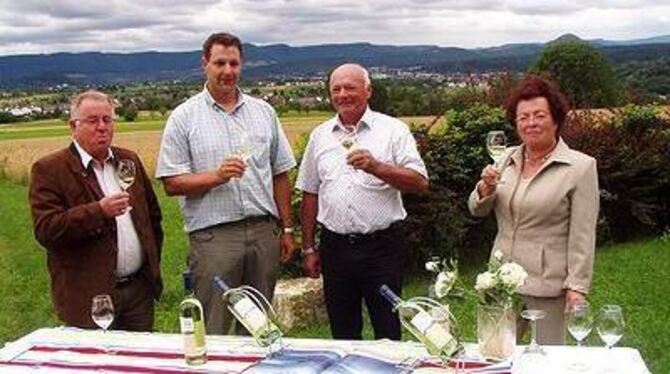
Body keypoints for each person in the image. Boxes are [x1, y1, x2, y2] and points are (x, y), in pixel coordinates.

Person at [156, 32, 296, 335]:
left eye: (234, 63)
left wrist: (286, 228)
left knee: (259, 328)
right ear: (204, 64)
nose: (228, 71)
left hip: (263, 233)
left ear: (241, 65)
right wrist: (216, 177)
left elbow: (280, 173)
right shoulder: (183, 117)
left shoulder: (264, 112)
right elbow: (171, 182)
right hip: (214, 239)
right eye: (220, 62)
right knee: (214, 328)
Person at [296, 63, 429, 340]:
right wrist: (308, 247)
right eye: (336, 89)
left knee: (388, 329)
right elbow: (310, 192)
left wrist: (377, 167)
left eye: (350, 87)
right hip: (336, 249)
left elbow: (419, 182)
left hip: (382, 248)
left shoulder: (393, 130)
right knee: (343, 332)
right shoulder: (320, 136)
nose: (343, 94)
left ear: (368, 91)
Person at [468, 76, 599, 344]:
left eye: (539, 115)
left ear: (556, 119)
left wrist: (577, 287)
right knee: (494, 352)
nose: (531, 123)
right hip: (499, 279)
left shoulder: (581, 167)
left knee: (548, 360)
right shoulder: (505, 158)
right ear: (515, 123)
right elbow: (477, 210)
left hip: (547, 283)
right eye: (523, 117)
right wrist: (485, 189)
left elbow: (583, 234)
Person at [29, 90, 163, 331]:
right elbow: (46, 229)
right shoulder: (51, 169)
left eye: (107, 119)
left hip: (137, 293)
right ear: (73, 126)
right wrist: (99, 211)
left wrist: (150, 267)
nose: (102, 127)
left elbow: (152, 219)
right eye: (92, 121)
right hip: (90, 297)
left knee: (140, 363)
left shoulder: (127, 161)